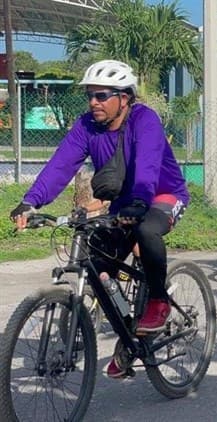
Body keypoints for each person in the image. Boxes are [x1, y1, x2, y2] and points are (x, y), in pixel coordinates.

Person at [8, 59, 190, 378]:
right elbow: (60, 165)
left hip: (162, 193)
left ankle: (159, 301)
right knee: (99, 267)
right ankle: (129, 340)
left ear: (124, 97)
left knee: (147, 230)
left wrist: (137, 204)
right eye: (90, 95)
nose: (94, 102)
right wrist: (30, 201)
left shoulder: (144, 120)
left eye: (101, 95)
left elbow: (147, 167)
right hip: (125, 202)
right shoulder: (87, 126)